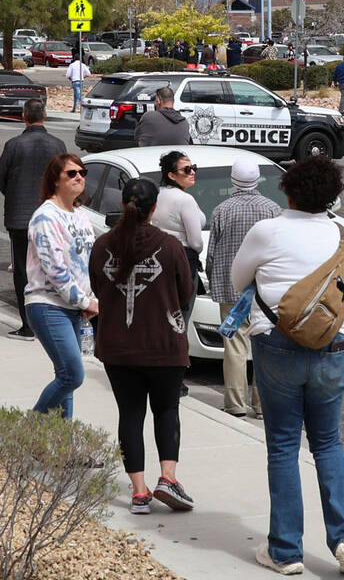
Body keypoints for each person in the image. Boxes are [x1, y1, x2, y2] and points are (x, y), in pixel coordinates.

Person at [230, 156, 344, 576]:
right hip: (333, 345)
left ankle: (286, 551)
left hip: (279, 345)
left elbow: (239, 281)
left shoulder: (267, 230)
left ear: (287, 190)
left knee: (284, 445)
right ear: (333, 196)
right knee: (328, 443)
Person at [89, 178, 196, 515]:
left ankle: (138, 492)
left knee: (130, 414)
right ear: (154, 209)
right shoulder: (169, 246)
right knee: (167, 410)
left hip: (118, 346)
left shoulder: (103, 245)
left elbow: (96, 286)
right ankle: (168, 478)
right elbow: (185, 291)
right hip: (164, 343)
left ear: (123, 205)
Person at [207, 157, 282, 419]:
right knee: (264, 347)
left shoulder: (221, 210)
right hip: (264, 292)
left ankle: (235, 405)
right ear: (258, 179)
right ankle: (261, 406)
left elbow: (212, 255)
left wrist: (213, 280)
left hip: (230, 290)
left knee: (235, 347)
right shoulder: (273, 209)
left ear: (233, 180)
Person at [25, 153, 98, 418]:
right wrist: (84, 301)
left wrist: (89, 298)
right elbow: (55, 268)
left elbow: (86, 261)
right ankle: (30, 426)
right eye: (71, 173)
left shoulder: (80, 215)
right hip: (48, 304)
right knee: (73, 375)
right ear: (56, 180)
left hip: (74, 306)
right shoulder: (45, 217)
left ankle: (62, 448)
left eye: (82, 172)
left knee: (65, 377)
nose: (79, 176)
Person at [0, 98, 67, 340]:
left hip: (20, 217)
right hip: (49, 216)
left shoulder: (13, 145)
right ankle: (50, 320)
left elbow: (3, 181)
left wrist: (17, 196)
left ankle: (27, 325)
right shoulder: (58, 145)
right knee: (51, 267)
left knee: (23, 272)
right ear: (45, 116)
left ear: (23, 116)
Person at [152, 151, 207, 302]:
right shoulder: (185, 200)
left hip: (157, 261)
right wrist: (195, 252)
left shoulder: (157, 194)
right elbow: (196, 243)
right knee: (181, 316)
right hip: (182, 264)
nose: (193, 172)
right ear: (171, 175)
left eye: (193, 167)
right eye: (187, 169)